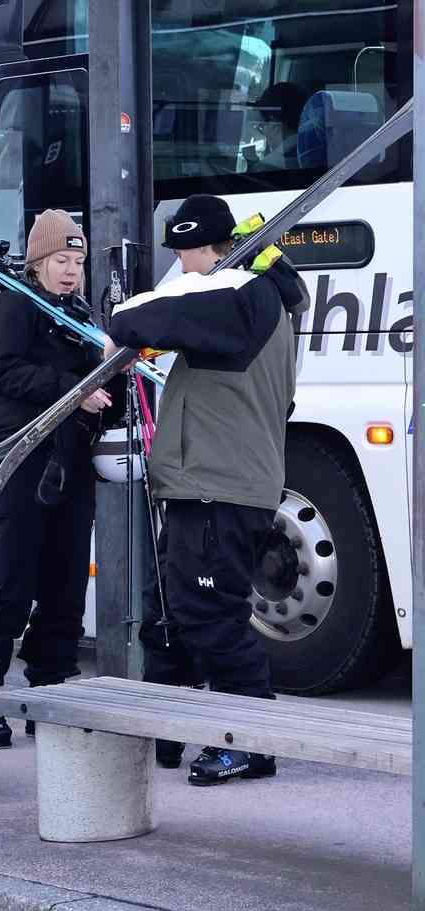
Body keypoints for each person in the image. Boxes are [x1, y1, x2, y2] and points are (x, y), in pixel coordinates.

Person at [104, 194, 306, 785]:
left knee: (209, 612)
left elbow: (136, 315)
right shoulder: (254, 301)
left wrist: (119, 332)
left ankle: (251, 741)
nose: (181, 266)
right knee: (172, 611)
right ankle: (170, 726)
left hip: (221, 484)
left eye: (183, 253)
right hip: (207, 483)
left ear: (205, 249)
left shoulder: (239, 293)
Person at [0, 210, 117, 748]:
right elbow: (3, 372)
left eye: (78, 262)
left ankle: (50, 686)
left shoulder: (81, 314)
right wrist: (74, 388)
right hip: (17, 459)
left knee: (65, 584)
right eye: (61, 260)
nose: (71, 271)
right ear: (39, 261)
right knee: (7, 581)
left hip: (70, 461)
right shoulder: (16, 303)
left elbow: (96, 382)